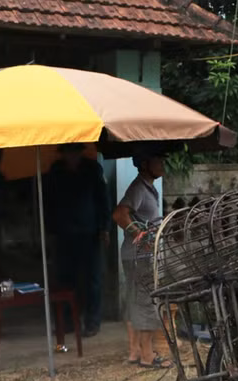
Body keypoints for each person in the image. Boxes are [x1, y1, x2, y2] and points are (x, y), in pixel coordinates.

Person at [112, 149, 171, 368]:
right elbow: (119, 214)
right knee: (146, 302)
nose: (164, 163)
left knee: (136, 301)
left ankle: (135, 351)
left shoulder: (147, 188)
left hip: (137, 256)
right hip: (140, 256)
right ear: (145, 164)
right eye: (159, 159)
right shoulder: (138, 188)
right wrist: (140, 234)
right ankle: (147, 355)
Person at [46, 143, 110, 337]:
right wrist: (50, 229)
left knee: (93, 279)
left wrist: (105, 228)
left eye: (74, 152)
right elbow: (49, 202)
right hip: (64, 233)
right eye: (68, 153)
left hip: (90, 231)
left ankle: (92, 322)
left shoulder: (92, 169)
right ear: (63, 154)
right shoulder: (56, 171)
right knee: (65, 279)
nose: (71, 156)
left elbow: (103, 199)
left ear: (80, 153)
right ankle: (68, 322)